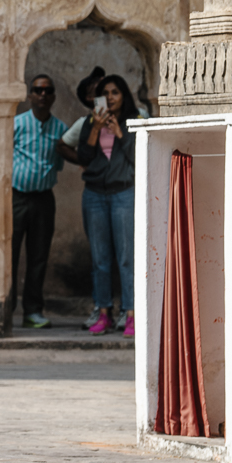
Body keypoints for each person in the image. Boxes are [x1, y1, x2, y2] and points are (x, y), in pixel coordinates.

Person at [77, 75, 138, 337]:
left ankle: (132, 313)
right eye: (105, 93)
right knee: (100, 259)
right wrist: (95, 128)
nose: (110, 97)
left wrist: (119, 133)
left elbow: (138, 156)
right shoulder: (91, 122)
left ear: (124, 95)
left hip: (123, 193)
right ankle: (104, 313)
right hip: (94, 196)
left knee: (126, 258)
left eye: (115, 92)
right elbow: (83, 157)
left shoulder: (133, 121)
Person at [11, 75, 68, 329]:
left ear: (53, 96)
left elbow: (58, 164)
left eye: (47, 90)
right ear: (30, 95)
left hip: (44, 198)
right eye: (38, 90)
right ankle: (5, 309)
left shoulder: (60, 129)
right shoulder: (17, 124)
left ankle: (33, 311)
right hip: (16, 197)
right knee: (9, 255)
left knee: (38, 256)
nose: (42, 95)